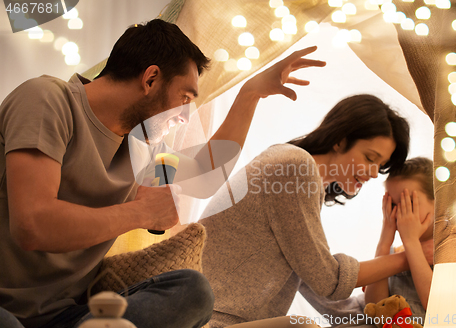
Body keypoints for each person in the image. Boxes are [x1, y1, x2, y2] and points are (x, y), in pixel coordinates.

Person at [0, 19, 325, 328]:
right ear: (151, 79)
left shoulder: (140, 147)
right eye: (185, 98)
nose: (185, 117)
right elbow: (33, 225)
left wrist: (250, 94)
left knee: (192, 291)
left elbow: (207, 169)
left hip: (66, 316)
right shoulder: (48, 99)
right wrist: (139, 212)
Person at [199, 94, 434, 328]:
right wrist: (412, 255)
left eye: (380, 166)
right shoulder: (295, 167)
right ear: (340, 140)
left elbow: (320, 284)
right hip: (212, 318)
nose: (374, 173)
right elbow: (328, 280)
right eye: (370, 158)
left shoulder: (302, 176)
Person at [364, 157, 434, 324]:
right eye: (393, 205)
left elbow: (434, 305)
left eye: (408, 204)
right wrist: (384, 241)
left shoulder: (446, 249)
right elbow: (374, 308)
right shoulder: (393, 254)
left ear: (436, 201)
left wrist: (411, 242)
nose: (399, 213)